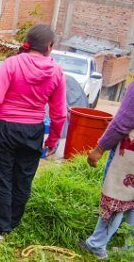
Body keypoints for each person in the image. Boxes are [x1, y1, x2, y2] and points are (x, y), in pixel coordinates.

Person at [0, 24, 66, 240]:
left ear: (28, 42)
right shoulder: (56, 71)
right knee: (23, 178)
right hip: (33, 130)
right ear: (49, 47)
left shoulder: (12, 63)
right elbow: (59, 113)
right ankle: (13, 223)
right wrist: (52, 140)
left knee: (1, 176)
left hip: (4, 127)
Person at [79, 82, 133, 259]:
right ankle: (129, 248)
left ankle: (96, 245)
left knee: (116, 197)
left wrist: (99, 149)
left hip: (128, 155)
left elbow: (123, 122)